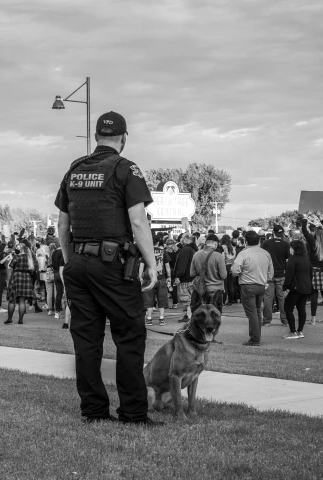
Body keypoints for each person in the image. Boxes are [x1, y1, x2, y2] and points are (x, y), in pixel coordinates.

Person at [54, 110, 160, 426]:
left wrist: (70, 258)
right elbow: (138, 221)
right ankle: (132, 413)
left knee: (86, 341)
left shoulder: (74, 169)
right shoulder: (126, 168)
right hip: (113, 266)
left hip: (79, 264)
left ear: (97, 137)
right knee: (129, 337)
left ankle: (94, 411)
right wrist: (152, 265)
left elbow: (63, 225)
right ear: (123, 138)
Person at [232, 230, 274, 347]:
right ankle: (256, 336)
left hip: (247, 285)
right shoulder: (266, 253)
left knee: (252, 313)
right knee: (257, 311)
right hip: (261, 285)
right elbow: (271, 272)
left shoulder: (243, 253)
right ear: (259, 240)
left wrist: (238, 273)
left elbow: (235, 270)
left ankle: (255, 338)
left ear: (246, 241)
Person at [301, 215, 323, 324]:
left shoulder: (312, 241)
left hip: (314, 270)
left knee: (314, 294)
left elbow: (304, 231)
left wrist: (305, 219)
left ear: (315, 233)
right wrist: (321, 218)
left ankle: (313, 319)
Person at [262, 225, 290, 326]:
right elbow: (288, 259)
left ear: (273, 232)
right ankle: (285, 320)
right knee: (282, 297)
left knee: (268, 298)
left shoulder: (266, 243)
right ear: (282, 233)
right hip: (281, 273)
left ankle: (266, 321)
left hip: (269, 274)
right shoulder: (286, 244)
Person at [283, 239, 311, 339]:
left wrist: (285, 287)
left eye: (291, 247)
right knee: (301, 308)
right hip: (306, 287)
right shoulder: (306, 257)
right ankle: (300, 331)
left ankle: (292, 331)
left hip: (295, 287)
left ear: (294, 249)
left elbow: (289, 274)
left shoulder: (293, 259)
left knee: (288, 308)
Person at [190, 233, 228, 308]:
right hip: (216, 290)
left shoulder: (196, 254)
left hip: (201, 289)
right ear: (215, 243)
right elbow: (223, 275)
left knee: (203, 314)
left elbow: (192, 273)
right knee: (215, 314)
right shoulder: (218, 256)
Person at [173, 233, 198, 322]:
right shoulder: (194, 249)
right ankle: (190, 314)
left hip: (186, 278)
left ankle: (189, 315)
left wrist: (178, 276)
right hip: (193, 277)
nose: (181, 240)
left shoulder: (186, 249)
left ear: (186, 239)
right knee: (191, 297)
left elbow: (182, 264)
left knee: (186, 297)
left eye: (182, 238)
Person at [50, 241, 66, 323]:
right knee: (65, 292)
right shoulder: (63, 252)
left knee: (58, 293)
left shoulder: (54, 253)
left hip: (55, 273)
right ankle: (67, 312)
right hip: (62, 272)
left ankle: (57, 312)